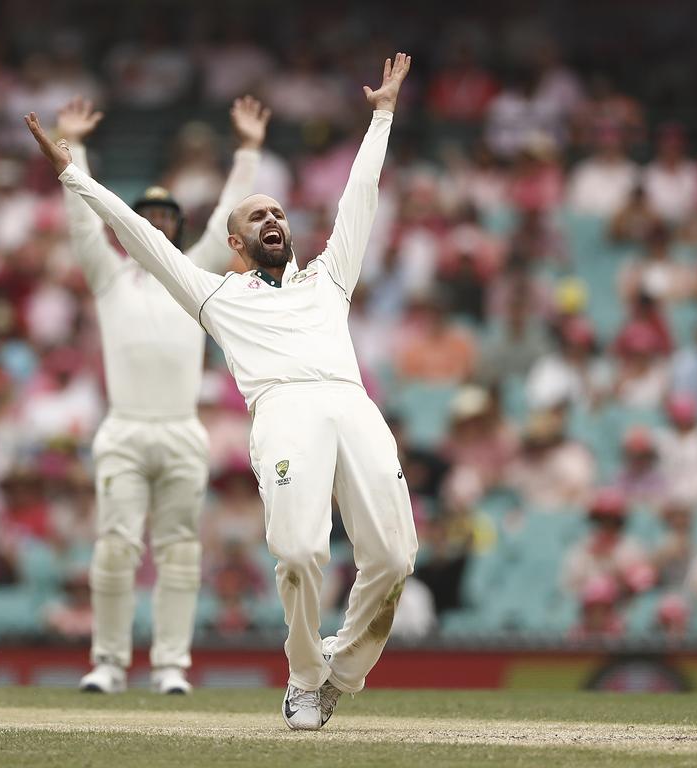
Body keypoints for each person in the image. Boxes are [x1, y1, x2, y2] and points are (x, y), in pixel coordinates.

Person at [26, 53, 416, 731]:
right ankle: (302, 678)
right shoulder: (215, 295)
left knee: (394, 558)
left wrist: (381, 114)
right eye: (256, 216)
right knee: (298, 553)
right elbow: (141, 239)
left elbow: (363, 194)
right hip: (284, 411)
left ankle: (340, 670)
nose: (272, 219)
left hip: (352, 404)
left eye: (278, 212)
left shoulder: (328, 279)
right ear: (234, 242)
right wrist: (75, 177)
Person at [53, 95, 271, 695]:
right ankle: (109, 663)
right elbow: (83, 214)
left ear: (175, 225)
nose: (153, 223)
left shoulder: (194, 273)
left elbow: (230, 210)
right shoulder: (109, 277)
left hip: (179, 429)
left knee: (178, 551)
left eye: (164, 216)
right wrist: (76, 145)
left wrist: (248, 150)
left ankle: (172, 665)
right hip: (124, 429)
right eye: (144, 215)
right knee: (116, 547)